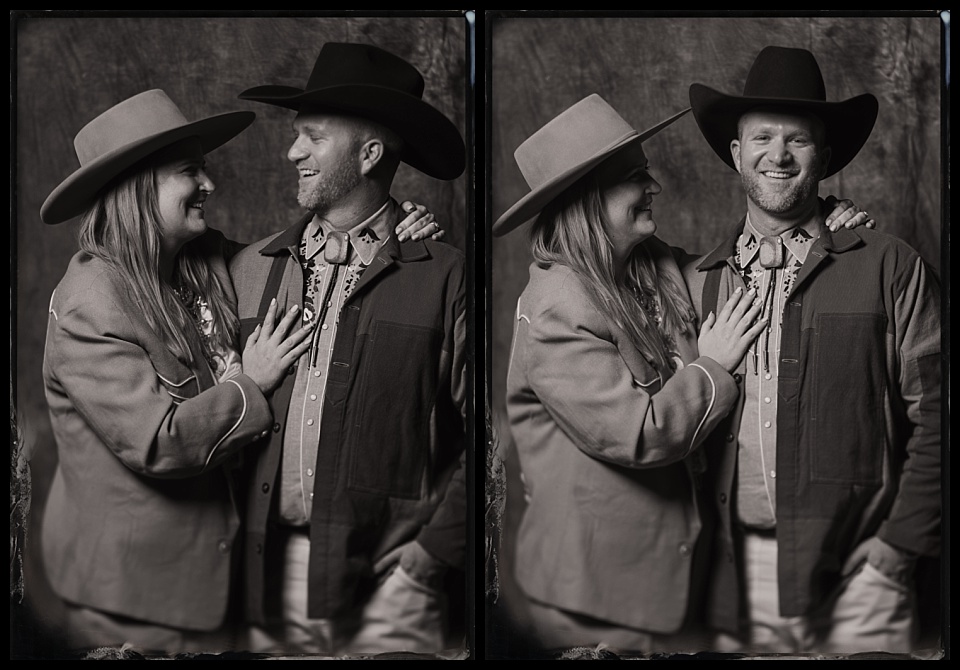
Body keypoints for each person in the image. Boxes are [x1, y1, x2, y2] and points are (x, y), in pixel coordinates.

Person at [37, 88, 441, 656]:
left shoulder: (198, 263)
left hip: (213, 586)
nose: (210, 185)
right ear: (136, 190)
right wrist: (251, 383)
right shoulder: (91, 300)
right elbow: (159, 443)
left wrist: (393, 229)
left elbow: (305, 253)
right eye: (189, 173)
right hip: (132, 598)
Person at [491, 92, 876, 656]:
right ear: (587, 200)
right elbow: (640, 434)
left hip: (666, 579)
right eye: (635, 177)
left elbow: (744, 268)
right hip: (592, 595)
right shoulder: (553, 308)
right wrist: (712, 365)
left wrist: (820, 224)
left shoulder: (652, 266)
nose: (655, 187)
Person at [684, 45, 941, 654]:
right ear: (735, 153)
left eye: (797, 140)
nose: (778, 155)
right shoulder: (699, 280)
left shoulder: (889, 266)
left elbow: (937, 417)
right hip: (732, 582)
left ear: (823, 159)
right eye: (763, 137)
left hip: (862, 579)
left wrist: (899, 551)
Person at [228, 42, 467, 655]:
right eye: (295, 137)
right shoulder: (250, 269)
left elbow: (484, 436)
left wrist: (428, 559)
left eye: (312, 137)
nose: (292, 152)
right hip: (265, 585)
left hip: (393, 596)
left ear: (368, 155)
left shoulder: (446, 275)